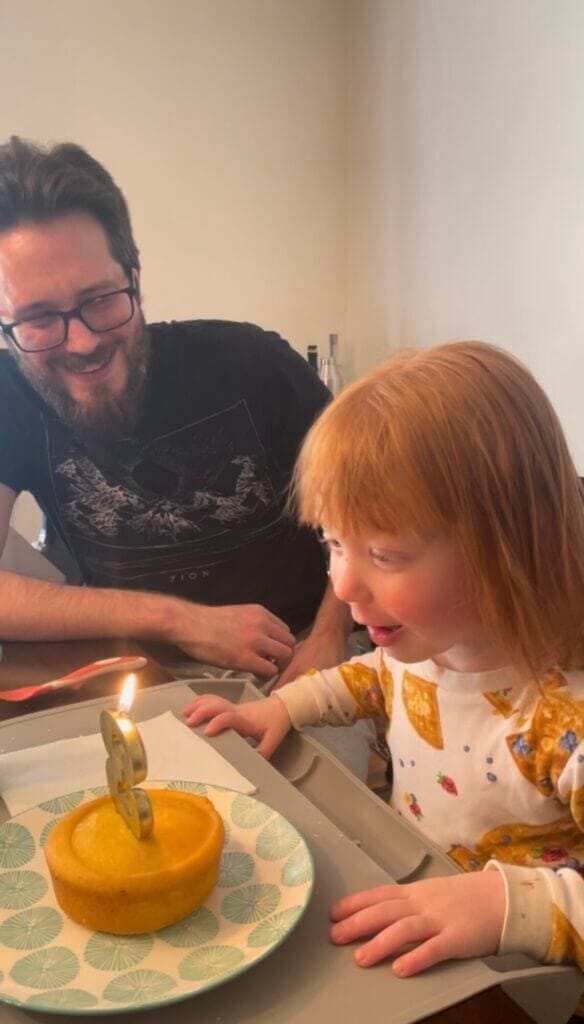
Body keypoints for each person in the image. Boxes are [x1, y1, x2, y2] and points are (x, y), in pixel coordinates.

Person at [184, 340, 584, 986]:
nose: (342, 584)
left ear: (507, 546)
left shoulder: (563, 718)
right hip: (415, 911)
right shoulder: (423, 646)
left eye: (384, 554)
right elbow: (371, 679)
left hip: (520, 987)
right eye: (333, 543)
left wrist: (505, 903)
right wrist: (283, 705)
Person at [0, 136, 351, 682]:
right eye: (39, 318)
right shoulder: (7, 396)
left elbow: (379, 515)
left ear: (135, 278)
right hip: (134, 665)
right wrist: (178, 620)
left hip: (298, 654)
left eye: (100, 299)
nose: (81, 342)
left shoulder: (255, 365)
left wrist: (331, 638)